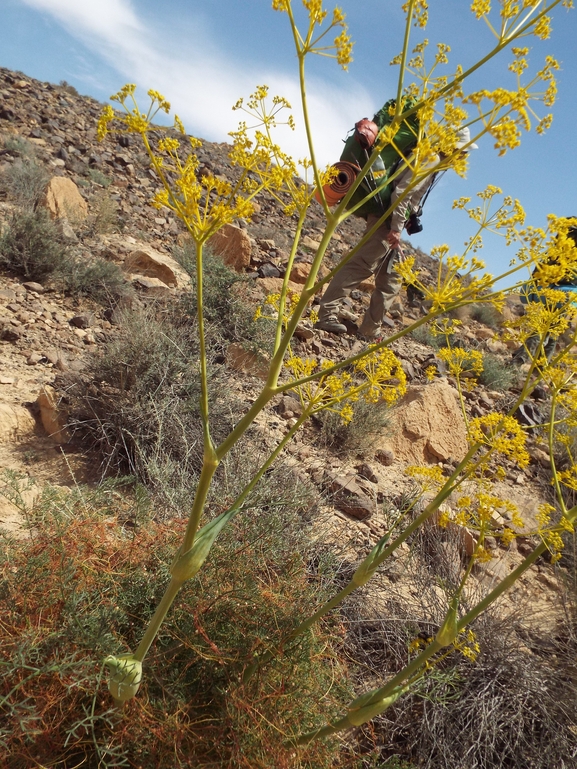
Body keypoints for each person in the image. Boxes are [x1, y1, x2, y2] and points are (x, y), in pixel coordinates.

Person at [315, 126, 478, 337]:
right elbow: (402, 193)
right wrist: (396, 227)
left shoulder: (434, 163)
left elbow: (410, 198)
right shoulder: (429, 158)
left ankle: (369, 331)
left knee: (392, 280)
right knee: (361, 267)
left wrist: (407, 219)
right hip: (386, 220)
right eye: (462, 151)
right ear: (453, 147)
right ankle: (327, 314)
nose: (462, 157)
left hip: (393, 223)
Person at [512, 219, 577, 364]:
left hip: (548, 293)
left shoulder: (554, 250)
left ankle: (528, 363)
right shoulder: (568, 253)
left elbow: (536, 273)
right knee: (547, 331)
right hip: (557, 296)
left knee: (549, 331)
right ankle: (524, 362)